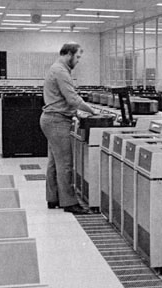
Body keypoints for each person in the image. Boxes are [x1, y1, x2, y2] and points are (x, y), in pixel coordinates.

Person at [40, 41, 96, 214]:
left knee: (54, 163)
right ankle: (69, 203)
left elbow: (63, 99)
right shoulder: (61, 71)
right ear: (69, 54)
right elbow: (72, 98)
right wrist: (92, 111)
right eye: (77, 56)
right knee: (65, 163)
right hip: (57, 121)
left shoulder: (56, 68)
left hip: (51, 119)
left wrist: (76, 112)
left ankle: (54, 198)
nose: (78, 60)